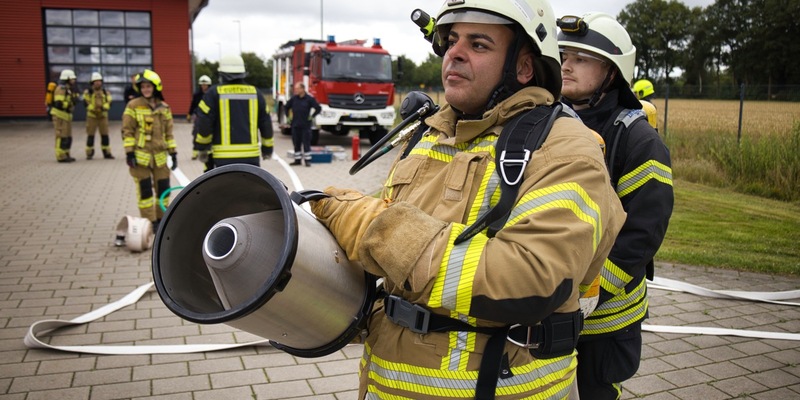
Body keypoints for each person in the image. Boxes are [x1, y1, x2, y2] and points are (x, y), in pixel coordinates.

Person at [308, 1, 626, 398]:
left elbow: (531, 280)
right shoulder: (429, 135)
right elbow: (389, 243)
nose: (454, 53)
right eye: (452, 40)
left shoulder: (565, 149)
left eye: (478, 44)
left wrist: (370, 226)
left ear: (524, 67)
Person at [557, 12, 674, 400]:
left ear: (612, 71)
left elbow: (642, 233)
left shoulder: (639, 141)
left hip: (604, 322)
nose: (566, 65)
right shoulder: (547, 125)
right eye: (564, 56)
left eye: (581, 58)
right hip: (548, 313)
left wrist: (589, 294)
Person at [121, 69, 177, 234]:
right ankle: (150, 222)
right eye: (143, 87)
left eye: (148, 86)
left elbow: (169, 133)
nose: (145, 89)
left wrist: (173, 153)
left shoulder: (164, 108)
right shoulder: (133, 105)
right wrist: (129, 153)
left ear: (155, 87)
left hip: (160, 158)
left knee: (163, 191)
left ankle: (161, 220)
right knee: (145, 193)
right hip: (140, 158)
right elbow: (127, 131)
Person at [194, 55, 273, 170]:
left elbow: (204, 123)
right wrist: (267, 149)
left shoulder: (213, 93)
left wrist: (202, 148)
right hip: (251, 158)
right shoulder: (256, 93)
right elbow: (266, 123)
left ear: (222, 74)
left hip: (222, 158)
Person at [284, 82, 320, 166]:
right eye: (295, 88)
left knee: (306, 143)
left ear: (303, 89)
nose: (296, 90)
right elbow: (286, 107)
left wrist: (312, 116)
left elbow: (318, 108)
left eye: (297, 88)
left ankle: (307, 161)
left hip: (305, 126)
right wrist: (288, 116)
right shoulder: (294, 99)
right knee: (296, 143)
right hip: (295, 125)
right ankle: (297, 160)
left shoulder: (309, 99)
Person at [83, 72, 114, 160]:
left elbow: (110, 102)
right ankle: (89, 153)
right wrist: (93, 109)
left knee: (105, 135)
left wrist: (104, 108)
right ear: (92, 82)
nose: (98, 83)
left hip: (103, 117)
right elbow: (86, 103)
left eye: (99, 81)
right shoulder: (88, 92)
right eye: (96, 81)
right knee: (90, 135)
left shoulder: (105, 92)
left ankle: (107, 153)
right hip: (92, 117)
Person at [50, 69, 79, 163]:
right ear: (67, 79)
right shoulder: (61, 89)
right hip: (60, 116)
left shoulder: (68, 89)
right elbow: (59, 103)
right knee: (61, 136)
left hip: (66, 116)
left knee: (67, 136)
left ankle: (66, 154)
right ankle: (60, 156)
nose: (74, 80)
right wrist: (69, 104)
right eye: (72, 79)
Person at [188, 75, 212, 160]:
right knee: (196, 134)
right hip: (198, 116)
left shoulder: (212, 95)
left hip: (210, 117)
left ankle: (208, 151)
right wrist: (189, 114)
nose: (203, 86)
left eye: (205, 85)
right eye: (202, 85)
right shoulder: (197, 95)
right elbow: (193, 104)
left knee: (209, 134)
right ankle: (195, 152)